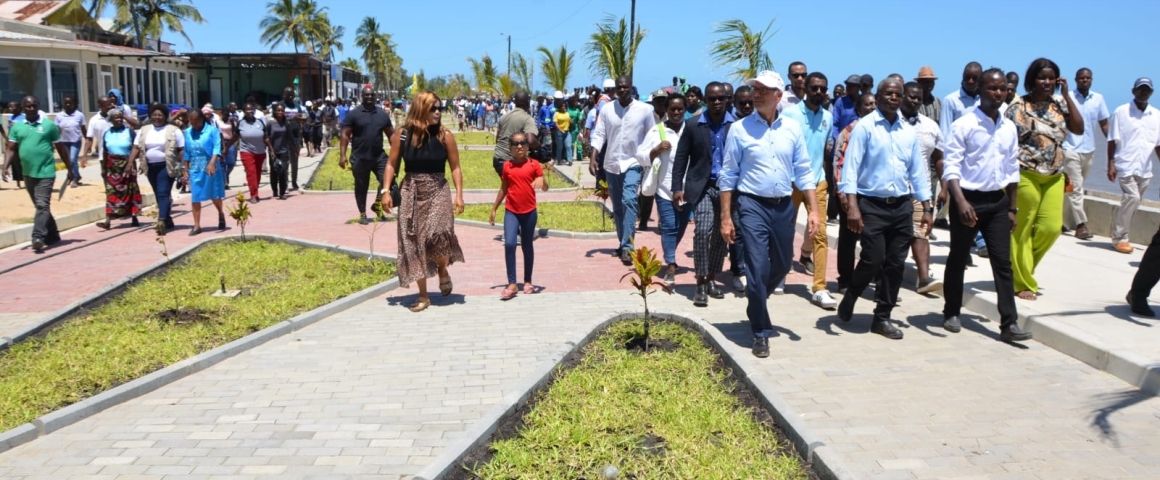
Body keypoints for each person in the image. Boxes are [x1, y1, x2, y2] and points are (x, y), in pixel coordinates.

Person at [718, 71, 820, 358]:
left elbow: (804, 170)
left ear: (778, 96)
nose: (757, 94)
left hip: (783, 206)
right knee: (757, 266)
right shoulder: (739, 129)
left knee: (784, 263)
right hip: (752, 205)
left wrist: (814, 210)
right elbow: (728, 174)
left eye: (764, 90)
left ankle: (755, 302)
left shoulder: (792, 128)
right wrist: (726, 217)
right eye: (756, 89)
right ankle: (761, 331)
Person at [837, 79, 933, 340]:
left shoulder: (908, 131)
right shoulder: (864, 127)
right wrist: (852, 207)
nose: (893, 98)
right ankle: (853, 293)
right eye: (888, 93)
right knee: (873, 258)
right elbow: (850, 169)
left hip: (901, 206)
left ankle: (882, 317)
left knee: (895, 264)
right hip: (871, 205)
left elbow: (917, 171)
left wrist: (927, 206)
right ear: (878, 96)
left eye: (897, 94)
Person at [942, 69, 1032, 342]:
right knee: (958, 258)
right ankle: (951, 311)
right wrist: (960, 202)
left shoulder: (1008, 127)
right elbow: (951, 167)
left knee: (1002, 263)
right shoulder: (964, 125)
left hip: (997, 203)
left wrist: (1012, 208)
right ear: (980, 90)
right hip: (967, 200)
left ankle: (1009, 323)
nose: (999, 93)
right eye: (993, 88)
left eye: (1003, 88)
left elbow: (1012, 169)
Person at [1006, 58, 1084, 301]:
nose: (1047, 82)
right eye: (1042, 78)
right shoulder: (1018, 106)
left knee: (1050, 229)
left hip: (1054, 177)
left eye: (1051, 78)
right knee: (1021, 230)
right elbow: (1005, 143)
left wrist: (1067, 95)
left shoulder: (1060, 104)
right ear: (1032, 80)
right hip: (1024, 174)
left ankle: (1021, 268)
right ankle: (1022, 282)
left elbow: (1079, 129)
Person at [382, 92, 466, 313]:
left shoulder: (445, 136)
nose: (438, 112)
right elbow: (391, 164)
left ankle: (442, 269)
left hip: (438, 189)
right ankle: (423, 295)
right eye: (433, 108)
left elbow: (455, 167)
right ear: (421, 110)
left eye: (440, 108)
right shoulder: (402, 135)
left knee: (439, 235)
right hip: (411, 191)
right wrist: (385, 191)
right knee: (414, 242)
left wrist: (459, 195)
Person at [672, 82, 736, 306]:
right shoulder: (692, 125)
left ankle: (711, 278)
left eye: (720, 98)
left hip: (728, 188)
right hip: (702, 187)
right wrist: (676, 188)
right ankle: (700, 281)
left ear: (727, 100)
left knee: (721, 236)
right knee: (702, 230)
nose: (717, 102)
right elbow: (681, 158)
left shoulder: (735, 126)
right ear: (705, 101)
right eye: (712, 99)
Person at [782, 72, 838, 309]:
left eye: (822, 88)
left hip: (817, 183)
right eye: (814, 88)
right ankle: (780, 275)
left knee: (820, 234)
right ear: (805, 88)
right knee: (784, 231)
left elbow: (824, 151)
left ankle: (820, 288)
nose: (818, 92)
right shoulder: (790, 114)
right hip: (791, 183)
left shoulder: (828, 117)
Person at [590, 75, 658, 265]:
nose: (622, 90)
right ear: (615, 89)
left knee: (629, 200)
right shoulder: (607, 109)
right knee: (618, 207)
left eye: (625, 87)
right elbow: (599, 134)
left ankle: (628, 246)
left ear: (631, 88)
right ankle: (623, 243)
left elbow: (651, 135)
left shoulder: (645, 110)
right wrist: (593, 157)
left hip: (634, 162)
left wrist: (650, 158)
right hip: (612, 163)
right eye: (619, 87)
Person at [3, 96, 71, 252]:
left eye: (34, 106)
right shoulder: (17, 127)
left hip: (46, 171)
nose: (32, 108)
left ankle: (38, 236)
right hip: (28, 173)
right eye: (28, 106)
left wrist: (70, 169)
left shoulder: (49, 125)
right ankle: (53, 234)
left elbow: (61, 149)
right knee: (41, 206)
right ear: (23, 108)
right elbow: (10, 148)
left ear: (38, 106)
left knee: (42, 205)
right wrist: (5, 166)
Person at [899, 82, 946, 294]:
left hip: (921, 190)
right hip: (894, 190)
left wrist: (944, 187)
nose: (915, 101)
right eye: (911, 96)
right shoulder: (890, 121)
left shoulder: (931, 126)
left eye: (918, 98)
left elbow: (939, 158)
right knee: (896, 237)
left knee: (921, 233)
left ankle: (924, 278)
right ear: (902, 96)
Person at [637, 95, 689, 285]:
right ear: (666, 110)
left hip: (687, 190)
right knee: (669, 226)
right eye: (672, 109)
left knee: (681, 227)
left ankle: (670, 254)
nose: (676, 112)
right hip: (664, 189)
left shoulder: (691, 129)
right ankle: (671, 264)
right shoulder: (657, 131)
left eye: (680, 109)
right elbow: (640, 155)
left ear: (685, 109)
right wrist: (655, 150)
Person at [489, 132, 548, 299]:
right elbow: (504, 188)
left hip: (529, 212)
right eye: (515, 144)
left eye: (523, 143)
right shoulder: (507, 166)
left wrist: (542, 180)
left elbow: (545, 187)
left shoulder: (534, 164)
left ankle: (528, 281)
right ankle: (512, 283)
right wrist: (494, 208)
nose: (519, 146)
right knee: (509, 244)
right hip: (511, 211)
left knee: (527, 245)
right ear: (510, 148)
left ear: (528, 146)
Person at [1107, 78, 1160, 253]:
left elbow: (1158, 145)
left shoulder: (1156, 115)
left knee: (1133, 203)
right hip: (1125, 164)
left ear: (1151, 93)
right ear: (1133, 91)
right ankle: (1119, 238)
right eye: (1140, 89)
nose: (1143, 93)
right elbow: (1111, 140)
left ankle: (1122, 235)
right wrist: (1110, 164)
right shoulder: (1121, 111)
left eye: (1147, 90)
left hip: (1145, 168)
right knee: (1132, 198)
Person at [1062, 68, 1111, 241]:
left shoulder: (1098, 99)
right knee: (1076, 187)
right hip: (1070, 148)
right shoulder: (1067, 97)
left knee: (1072, 188)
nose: (1085, 80)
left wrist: (1112, 142)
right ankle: (1081, 225)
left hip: (1089, 150)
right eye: (1082, 78)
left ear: (1092, 80)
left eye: (1088, 78)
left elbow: (1104, 123)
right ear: (1076, 80)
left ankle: (1061, 221)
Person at [835, 93, 877, 293]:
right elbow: (839, 164)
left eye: (875, 104)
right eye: (868, 104)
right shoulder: (848, 131)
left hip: (874, 195)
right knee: (848, 239)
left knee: (874, 239)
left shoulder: (882, 131)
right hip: (852, 194)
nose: (872, 107)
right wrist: (842, 194)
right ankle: (845, 279)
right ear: (859, 110)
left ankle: (876, 281)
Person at [339, 87, 395, 224]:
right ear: (362, 96)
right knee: (361, 186)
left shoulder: (382, 114)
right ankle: (362, 213)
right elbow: (345, 134)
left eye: (371, 95)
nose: (369, 97)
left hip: (379, 156)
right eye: (366, 95)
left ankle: (377, 205)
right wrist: (342, 155)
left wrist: (396, 151)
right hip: (360, 157)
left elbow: (391, 134)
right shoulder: (354, 114)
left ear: (374, 96)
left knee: (388, 180)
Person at [134, 104, 183, 235]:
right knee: (159, 193)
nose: (157, 117)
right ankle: (168, 219)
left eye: (160, 115)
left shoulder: (174, 130)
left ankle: (161, 221)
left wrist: (184, 168)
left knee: (162, 193)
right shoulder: (144, 130)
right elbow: (136, 147)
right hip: (150, 167)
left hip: (166, 166)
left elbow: (181, 150)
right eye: (154, 115)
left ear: (165, 116)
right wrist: (129, 162)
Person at [94, 109, 142, 229]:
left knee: (130, 190)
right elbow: (105, 151)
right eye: (116, 117)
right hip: (112, 167)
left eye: (120, 117)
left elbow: (137, 148)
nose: (119, 119)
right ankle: (108, 221)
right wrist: (104, 168)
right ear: (111, 119)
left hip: (127, 165)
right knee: (111, 191)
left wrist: (132, 163)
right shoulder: (107, 133)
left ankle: (134, 217)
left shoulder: (129, 132)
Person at [184, 108, 226, 235]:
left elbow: (217, 147)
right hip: (195, 167)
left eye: (196, 122)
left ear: (202, 119)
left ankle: (221, 213)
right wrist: (185, 170)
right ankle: (197, 226)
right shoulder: (187, 132)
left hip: (210, 166)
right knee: (195, 196)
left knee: (215, 195)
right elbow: (186, 152)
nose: (194, 125)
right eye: (191, 122)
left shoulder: (212, 130)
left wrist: (212, 163)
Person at [495, 92, 541, 177]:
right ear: (528, 103)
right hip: (510, 160)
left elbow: (497, 139)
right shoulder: (527, 118)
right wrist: (539, 146)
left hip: (498, 158)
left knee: (509, 184)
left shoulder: (504, 117)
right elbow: (531, 141)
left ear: (515, 102)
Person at [940, 62, 982, 140]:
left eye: (974, 78)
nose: (970, 81)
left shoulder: (984, 100)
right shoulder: (951, 100)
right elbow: (945, 131)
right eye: (967, 77)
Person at [275, 87, 306, 190]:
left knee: (295, 160)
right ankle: (285, 182)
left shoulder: (297, 106)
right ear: (284, 95)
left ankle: (294, 182)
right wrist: (293, 118)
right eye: (288, 94)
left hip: (295, 137)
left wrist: (302, 122)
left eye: (292, 95)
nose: (291, 96)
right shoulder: (280, 106)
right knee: (285, 161)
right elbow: (277, 119)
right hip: (283, 137)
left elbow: (300, 118)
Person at [237, 103, 268, 202]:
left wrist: (271, 150)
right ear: (244, 111)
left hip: (260, 151)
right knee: (251, 172)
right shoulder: (240, 123)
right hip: (246, 151)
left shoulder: (260, 122)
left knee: (257, 173)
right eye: (247, 109)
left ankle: (255, 191)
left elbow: (266, 137)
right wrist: (226, 148)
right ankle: (254, 195)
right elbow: (235, 136)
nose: (250, 111)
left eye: (251, 109)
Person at [56, 95, 87, 188]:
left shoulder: (79, 115)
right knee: (68, 161)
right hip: (64, 142)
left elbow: (83, 128)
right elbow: (57, 130)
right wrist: (55, 142)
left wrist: (88, 141)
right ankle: (74, 175)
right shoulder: (59, 116)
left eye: (70, 103)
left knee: (73, 159)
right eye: (66, 103)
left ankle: (75, 179)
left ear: (74, 104)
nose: (68, 104)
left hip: (75, 141)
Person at [265, 104, 293, 201]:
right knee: (274, 171)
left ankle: (282, 193)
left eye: (282, 110)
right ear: (275, 111)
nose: (280, 112)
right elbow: (266, 137)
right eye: (278, 110)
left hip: (284, 151)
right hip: (273, 151)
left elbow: (290, 136)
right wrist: (271, 150)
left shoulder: (286, 123)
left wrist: (295, 148)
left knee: (283, 171)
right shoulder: (270, 123)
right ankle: (275, 190)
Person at [208, 104, 238, 190]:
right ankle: (224, 182)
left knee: (231, 162)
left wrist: (232, 123)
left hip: (230, 142)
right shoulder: (217, 121)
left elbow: (235, 132)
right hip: (221, 142)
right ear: (221, 113)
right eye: (225, 114)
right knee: (222, 163)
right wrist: (222, 146)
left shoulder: (231, 120)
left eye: (227, 115)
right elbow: (218, 133)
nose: (226, 116)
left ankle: (226, 175)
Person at [83, 97, 112, 167]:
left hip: (119, 155)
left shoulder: (115, 117)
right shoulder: (94, 120)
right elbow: (89, 138)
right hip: (103, 156)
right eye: (106, 105)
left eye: (110, 104)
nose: (109, 107)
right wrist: (85, 156)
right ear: (99, 106)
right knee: (105, 173)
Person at [553, 93, 573, 165]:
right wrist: (560, 130)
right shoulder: (556, 114)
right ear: (560, 106)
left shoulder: (567, 113)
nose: (564, 107)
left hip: (567, 132)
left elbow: (569, 119)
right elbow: (556, 123)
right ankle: (559, 160)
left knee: (568, 146)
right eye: (563, 106)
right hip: (559, 132)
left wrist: (571, 121)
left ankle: (570, 160)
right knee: (560, 147)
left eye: (565, 106)